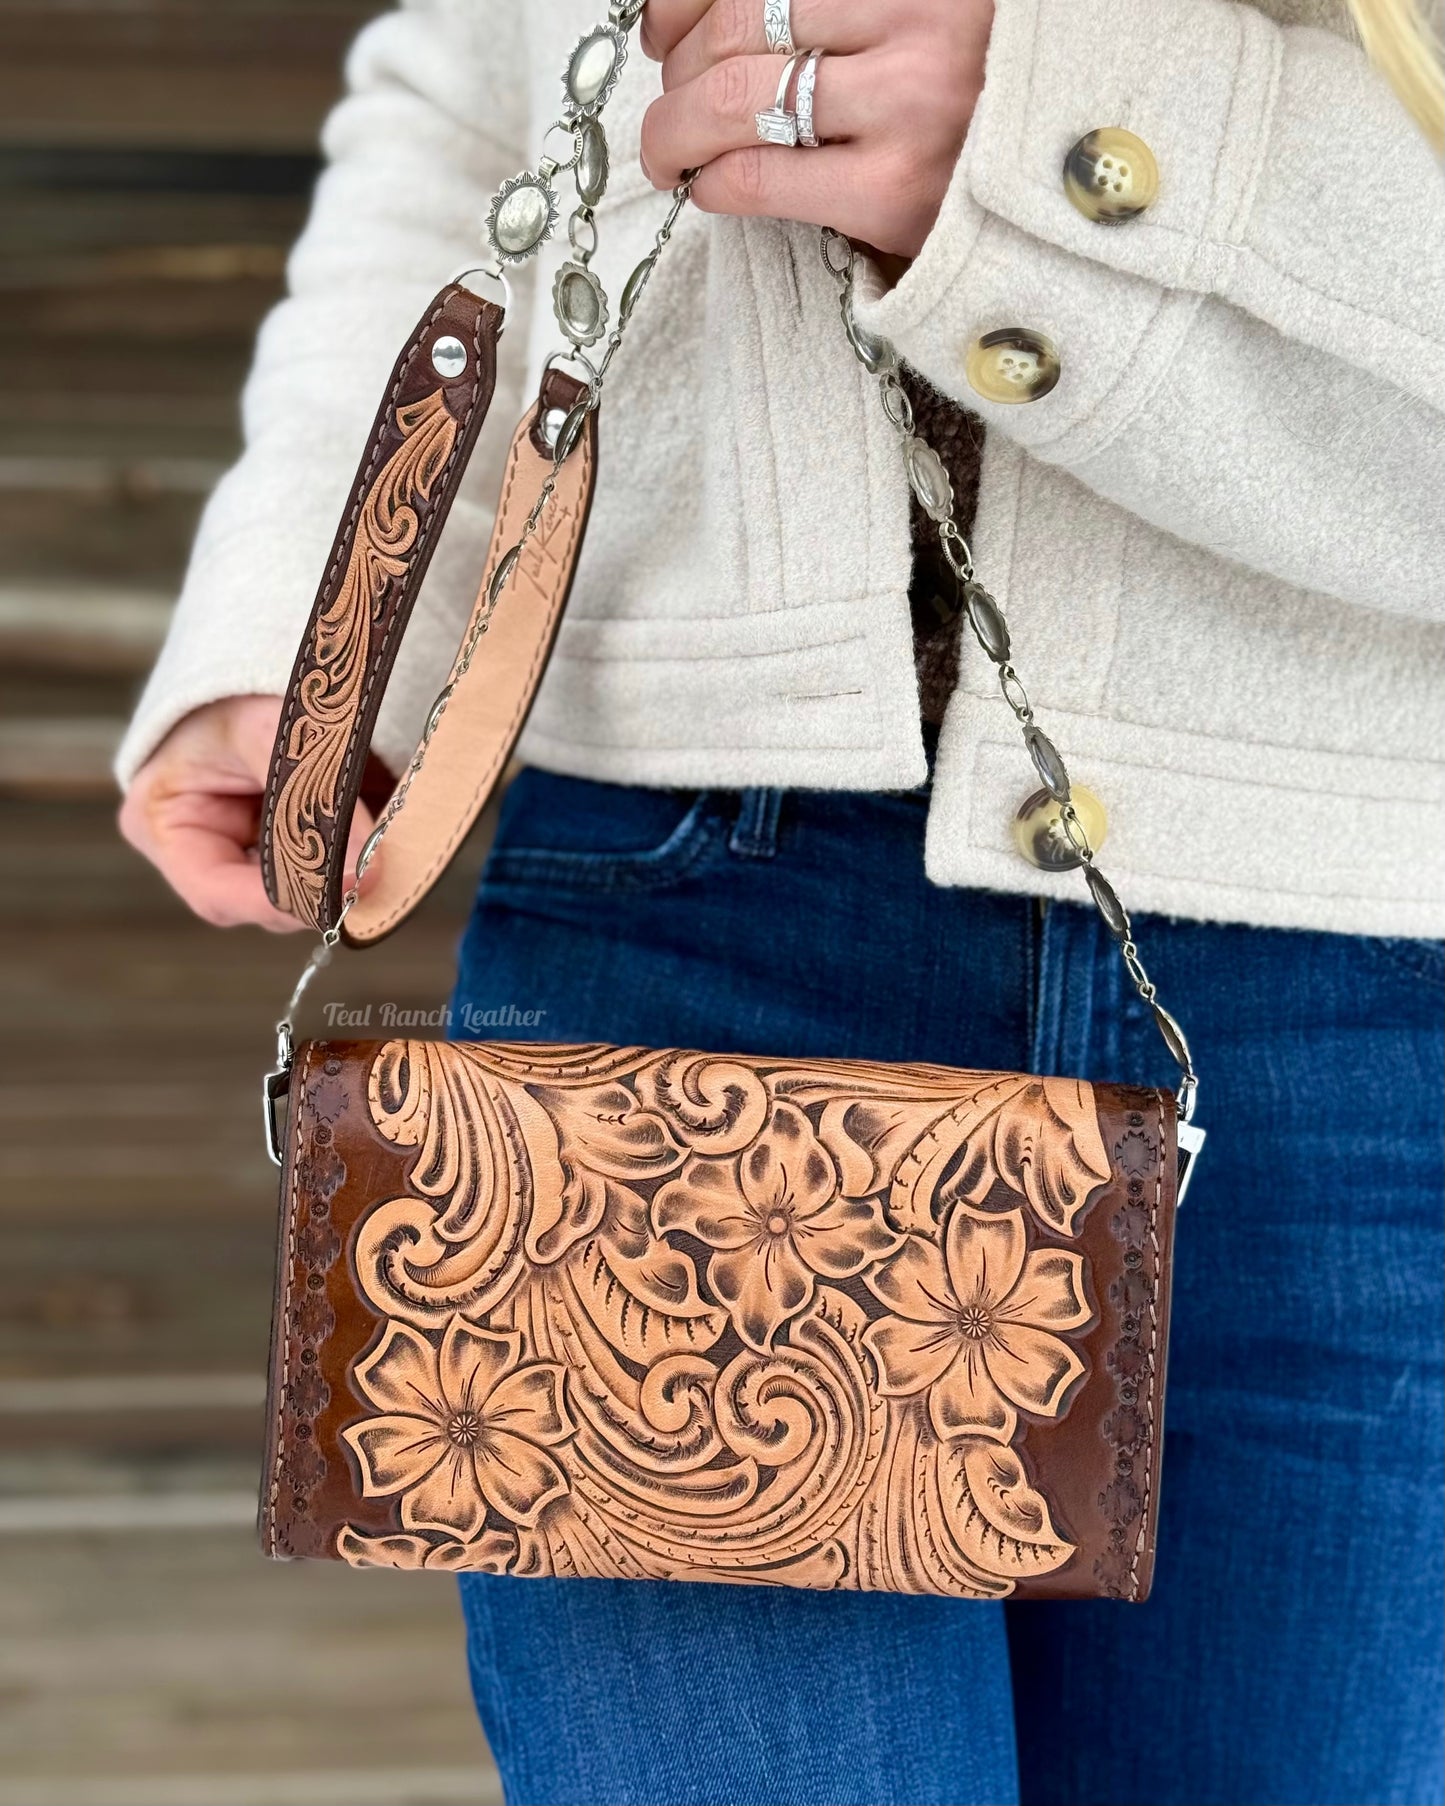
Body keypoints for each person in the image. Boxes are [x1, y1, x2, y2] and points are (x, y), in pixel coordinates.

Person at [117, 1, 1444, 1801]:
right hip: (684, 939)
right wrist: (321, 620)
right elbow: (477, 98)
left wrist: (1072, 141)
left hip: (1373, 998)